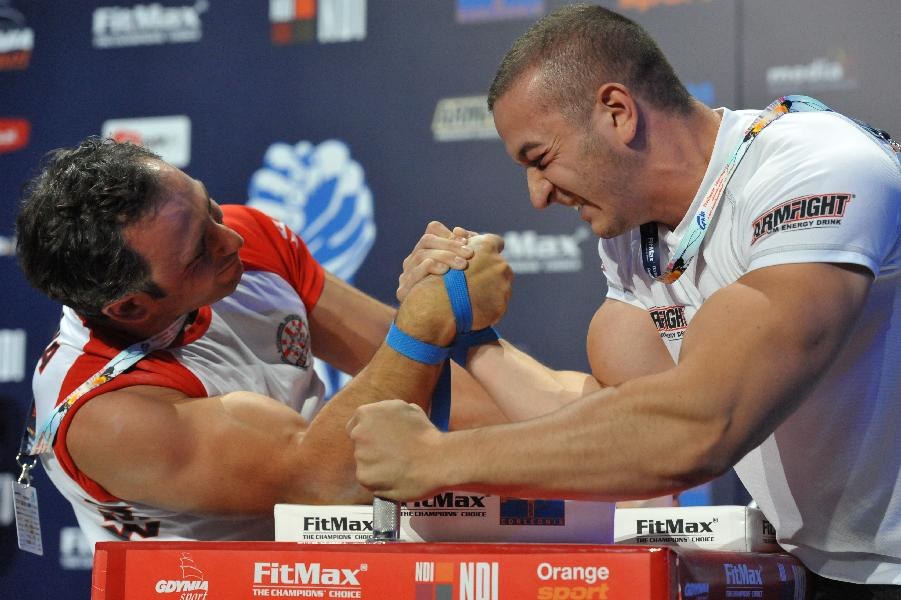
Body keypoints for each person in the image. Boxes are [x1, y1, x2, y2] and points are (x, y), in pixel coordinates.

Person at [346, 5, 901, 597]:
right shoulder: (634, 236)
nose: (536, 196)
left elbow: (698, 426)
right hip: (826, 568)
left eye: (540, 159)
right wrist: (471, 333)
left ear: (617, 112)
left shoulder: (815, 169)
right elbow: (617, 419)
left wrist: (437, 460)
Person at [15, 136, 512, 545]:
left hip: (330, 567)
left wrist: (550, 448)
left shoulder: (243, 236)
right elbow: (324, 481)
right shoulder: (106, 414)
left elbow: (434, 379)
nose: (230, 240)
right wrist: (427, 315)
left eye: (209, 207)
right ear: (129, 307)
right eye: (199, 253)